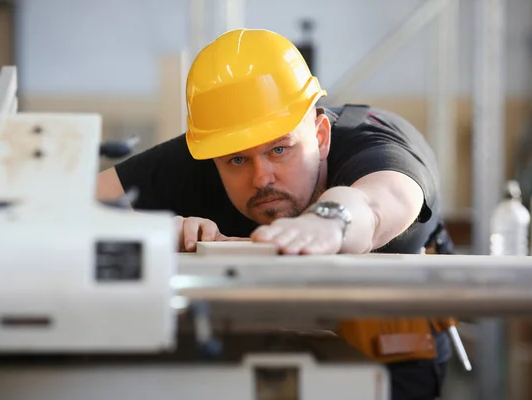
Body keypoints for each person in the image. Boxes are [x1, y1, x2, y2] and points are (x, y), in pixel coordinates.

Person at [97, 28, 453, 400]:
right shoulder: (208, 150)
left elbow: (380, 201)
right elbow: (62, 205)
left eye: (280, 150)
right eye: (237, 159)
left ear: (320, 136)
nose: (261, 177)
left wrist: (330, 221)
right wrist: (152, 231)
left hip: (387, 349)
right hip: (256, 345)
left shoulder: (375, 145)